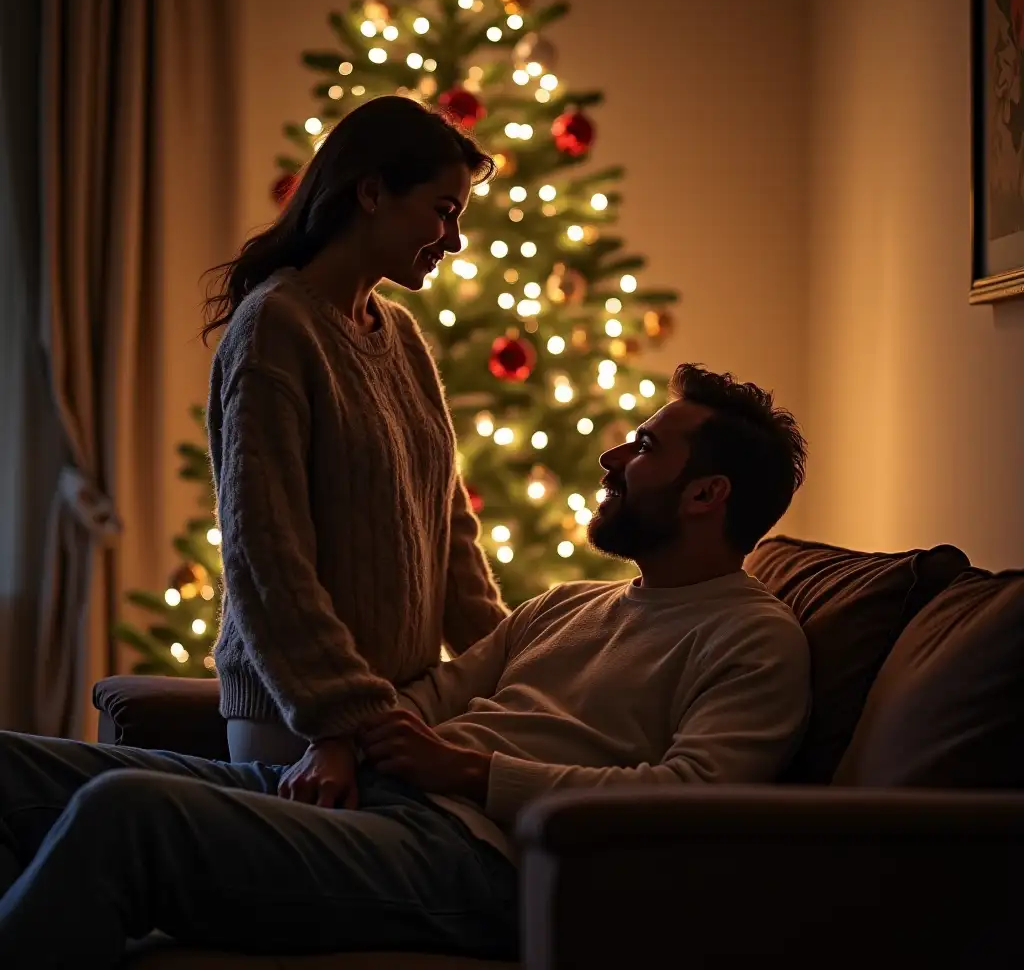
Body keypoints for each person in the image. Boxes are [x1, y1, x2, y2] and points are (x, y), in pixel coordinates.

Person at [0, 364, 811, 968]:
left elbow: (693, 801)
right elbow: (436, 693)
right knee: (15, 766)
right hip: (380, 800)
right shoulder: (571, 603)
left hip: (478, 862)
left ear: (707, 495)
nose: (612, 458)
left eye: (644, 448)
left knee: (124, 813)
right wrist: (342, 742)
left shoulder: (754, 638)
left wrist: (475, 771)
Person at [202, 95, 509, 792]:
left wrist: (519, 666)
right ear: (371, 193)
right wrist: (344, 723)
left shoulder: (400, 336)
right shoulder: (277, 326)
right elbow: (266, 554)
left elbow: (450, 537)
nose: (453, 239)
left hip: (397, 719)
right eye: (443, 210)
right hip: (302, 727)